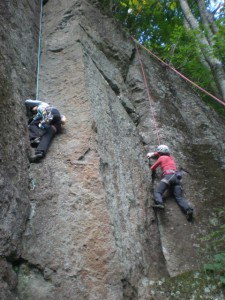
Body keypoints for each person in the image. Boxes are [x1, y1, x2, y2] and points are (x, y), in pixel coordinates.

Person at [147, 144, 194, 221]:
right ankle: (188, 210)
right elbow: (160, 152)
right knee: (179, 197)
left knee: (157, 192)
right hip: (176, 179)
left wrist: (150, 156)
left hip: (168, 177)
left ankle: (160, 203)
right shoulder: (170, 158)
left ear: (160, 152)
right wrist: (153, 153)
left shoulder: (161, 157)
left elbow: (153, 168)